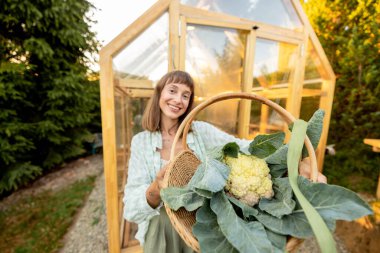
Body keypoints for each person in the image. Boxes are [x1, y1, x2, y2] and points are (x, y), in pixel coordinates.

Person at [123, 70, 326, 253]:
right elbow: (131, 209)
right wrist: (156, 189)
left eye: (185, 95)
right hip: (163, 232)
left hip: (205, 227)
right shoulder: (141, 142)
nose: (178, 99)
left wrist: (295, 158)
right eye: (173, 91)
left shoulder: (201, 131)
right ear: (159, 93)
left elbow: (244, 146)